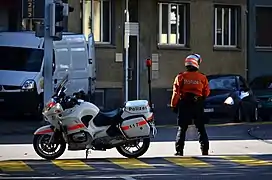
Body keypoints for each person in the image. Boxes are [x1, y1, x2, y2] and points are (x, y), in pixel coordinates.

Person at [170, 53, 210, 156]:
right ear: (196, 64)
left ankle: (179, 151)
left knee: (182, 128)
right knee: (201, 128)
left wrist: (173, 105)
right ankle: (204, 150)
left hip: (185, 103)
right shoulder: (202, 77)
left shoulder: (180, 77)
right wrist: (201, 99)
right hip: (198, 103)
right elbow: (206, 92)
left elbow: (176, 93)